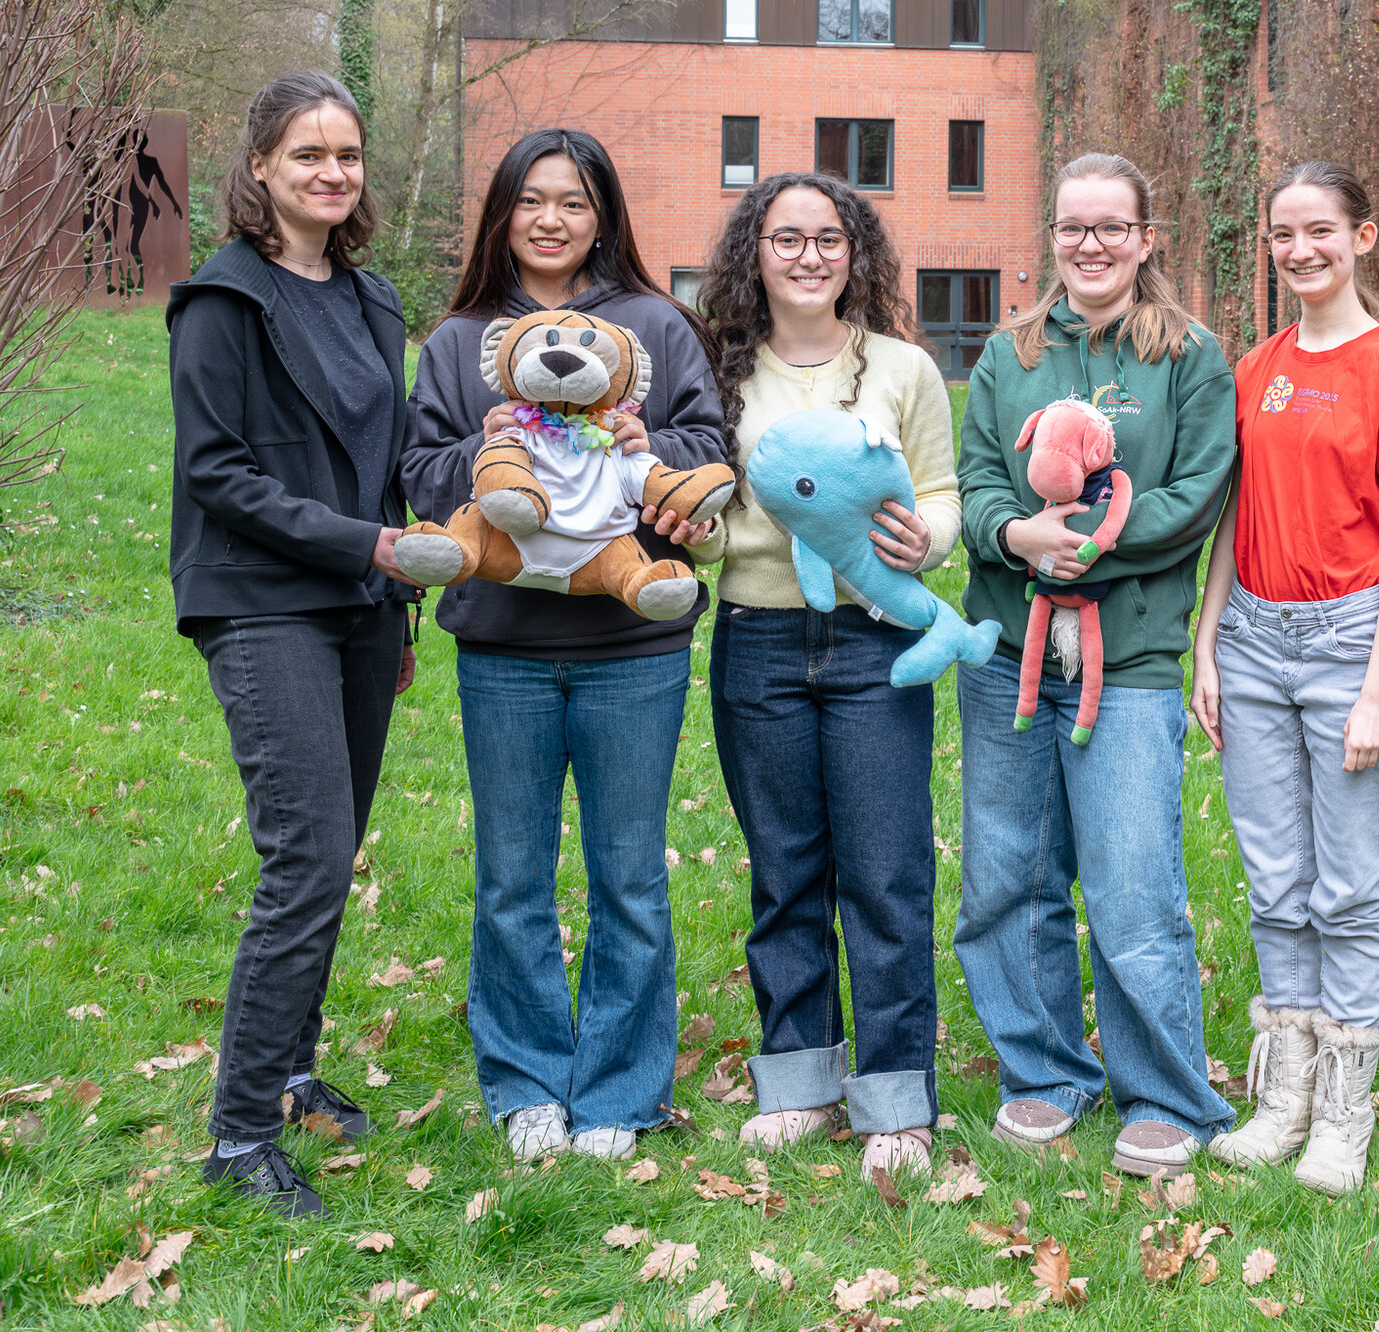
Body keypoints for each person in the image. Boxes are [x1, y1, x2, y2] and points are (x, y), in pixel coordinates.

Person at [399, 128, 725, 1162]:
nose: (551, 219)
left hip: (632, 646)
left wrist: (645, 446)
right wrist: (500, 443)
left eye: (573, 202)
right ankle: (529, 1082)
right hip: (502, 649)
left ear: (604, 217)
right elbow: (419, 467)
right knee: (511, 875)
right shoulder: (458, 341)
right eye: (531, 200)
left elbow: (709, 451)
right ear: (501, 214)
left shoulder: (654, 325)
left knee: (629, 873)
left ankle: (620, 1094)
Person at [952, 152, 1237, 1179]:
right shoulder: (1007, 354)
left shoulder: (1188, 355)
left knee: (1131, 882)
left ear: (1145, 238)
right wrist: (1013, 536)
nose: (1090, 244)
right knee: (1006, 873)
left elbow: (1200, 488)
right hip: (1008, 650)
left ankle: (1163, 1092)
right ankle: (1043, 1070)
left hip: (1133, 655)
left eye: (1112, 227)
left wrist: (1099, 539)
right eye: (1073, 226)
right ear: (1053, 235)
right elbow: (978, 473)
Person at [169, 71, 422, 1218]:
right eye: (308, 154)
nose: (333, 173)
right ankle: (233, 1134)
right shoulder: (221, 300)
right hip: (261, 598)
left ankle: (286, 1074)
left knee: (337, 845)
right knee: (307, 858)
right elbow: (217, 475)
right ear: (260, 166)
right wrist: (363, 545)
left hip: (361, 610)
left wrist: (398, 587)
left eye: (349, 156)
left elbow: (388, 459)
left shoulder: (373, 301)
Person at [695, 172, 957, 1182]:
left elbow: (938, 496)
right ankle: (798, 1080)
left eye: (828, 238)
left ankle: (895, 1098)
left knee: (885, 870)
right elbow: (709, 511)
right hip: (757, 638)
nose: (808, 255)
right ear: (752, 254)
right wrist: (693, 533)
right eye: (785, 238)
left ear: (856, 253)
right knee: (783, 867)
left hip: (871, 641)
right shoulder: (720, 373)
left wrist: (919, 538)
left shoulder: (901, 369)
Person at [1193, 164, 1379, 1193]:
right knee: (1275, 886)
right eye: (1282, 234)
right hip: (1250, 639)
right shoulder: (1254, 369)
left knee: (1346, 891)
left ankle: (1343, 1114)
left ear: (1364, 237)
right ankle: (1280, 1097)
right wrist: (1204, 644)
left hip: (1348, 645)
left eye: (1320, 232)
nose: (1299, 250)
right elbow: (1229, 515)